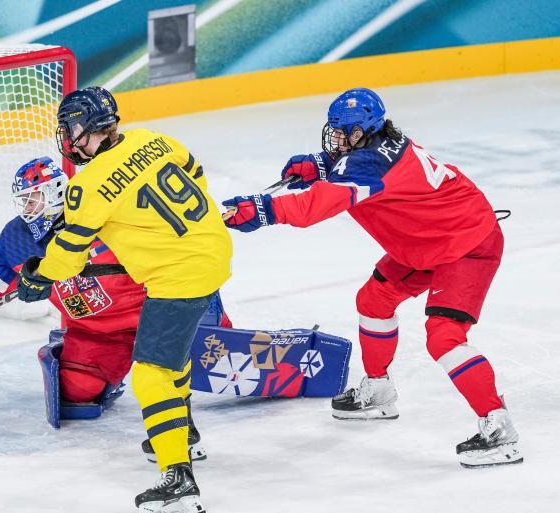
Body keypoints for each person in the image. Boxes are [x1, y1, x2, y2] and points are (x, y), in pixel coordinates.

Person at [222, 87, 520, 469]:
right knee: (373, 301)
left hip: (467, 244)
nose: (336, 139)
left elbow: (316, 205)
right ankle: (379, 391)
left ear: (362, 132)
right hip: (429, 240)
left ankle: (499, 427)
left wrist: (262, 209)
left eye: (343, 133)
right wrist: (322, 165)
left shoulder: (369, 165)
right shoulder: (380, 145)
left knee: (444, 337)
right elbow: (352, 166)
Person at [0, 156, 228, 461]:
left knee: (217, 361)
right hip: (96, 332)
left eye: (33, 197)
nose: (27, 207)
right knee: (77, 392)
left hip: (156, 311)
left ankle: (210, 318)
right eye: (24, 200)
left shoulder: (101, 211)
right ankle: (115, 372)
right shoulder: (18, 236)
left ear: (55, 192)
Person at [14, 87, 234, 513]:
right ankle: (182, 433)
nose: (67, 138)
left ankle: (179, 482)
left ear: (84, 129)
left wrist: (38, 275)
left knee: (150, 372)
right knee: (170, 358)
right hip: (214, 252)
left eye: (69, 129)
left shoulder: (88, 186)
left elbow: (69, 256)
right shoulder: (155, 140)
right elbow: (196, 174)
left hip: (178, 276)